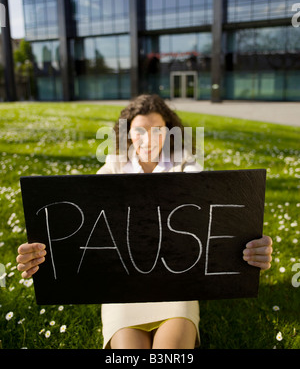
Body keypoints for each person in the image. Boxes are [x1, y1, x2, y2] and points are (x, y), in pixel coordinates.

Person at [16, 94, 273, 349]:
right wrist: (41, 254)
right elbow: (82, 227)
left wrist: (248, 246)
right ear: (128, 133)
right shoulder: (112, 170)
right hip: (122, 292)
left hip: (176, 290)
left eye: (157, 130)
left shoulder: (187, 168)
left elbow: (214, 222)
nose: (148, 139)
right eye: (139, 131)